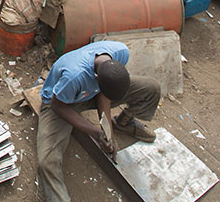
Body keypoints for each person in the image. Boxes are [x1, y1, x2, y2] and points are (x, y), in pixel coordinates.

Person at [37, 41, 160, 202]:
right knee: (47, 162)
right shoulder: (74, 76)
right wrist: (96, 132)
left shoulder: (120, 52)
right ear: (96, 78)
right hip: (62, 102)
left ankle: (123, 122)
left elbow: (103, 94)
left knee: (151, 88)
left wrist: (107, 130)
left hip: (91, 92)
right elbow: (57, 105)